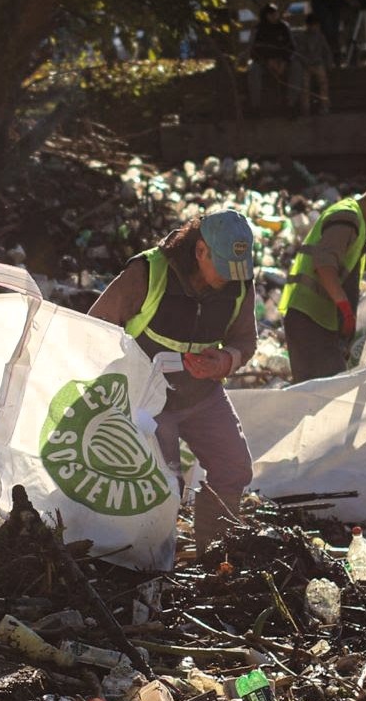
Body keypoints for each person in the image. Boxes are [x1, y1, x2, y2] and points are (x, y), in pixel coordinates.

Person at [87, 211, 257, 552]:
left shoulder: (239, 283)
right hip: (149, 401)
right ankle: (151, 559)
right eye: (223, 267)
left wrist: (224, 361)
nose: (230, 278)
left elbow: (245, 341)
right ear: (200, 251)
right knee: (164, 486)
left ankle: (216, 554)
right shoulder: (147, 273)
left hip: (203, 396)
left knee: (233, 468)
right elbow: (94, 330)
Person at [279, 176, 366, 383]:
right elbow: (324, 265)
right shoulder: (348, 217)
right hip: (310, 318)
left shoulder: (356, 223)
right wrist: (345, 309)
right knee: (328, 392)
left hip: (319, 320)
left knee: (319, 392)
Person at [247, 3, 300, 112]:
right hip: (263, 62)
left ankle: (291, 104)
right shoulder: (258, 29)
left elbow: (292, 47)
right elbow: (253, 49)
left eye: (275, 13)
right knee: (253, 70)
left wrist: (285, 61)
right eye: (271, 14)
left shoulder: (284, 27)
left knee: (296, 68)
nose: (274, 16)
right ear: (266, 16)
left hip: (282, 61)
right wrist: (267, 61)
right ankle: (255, 106)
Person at [297, 12, 335, 114]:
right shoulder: (302, 37)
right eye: (313, 25)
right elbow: (299, 52)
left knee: (323, 83)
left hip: (318, 64)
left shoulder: (321, 37)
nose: (316, 28)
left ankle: (324, 106)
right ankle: (305, 108)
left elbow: (327, 51)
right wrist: (306, 63)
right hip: (306, 65)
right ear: (308, 25)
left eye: (317, 25)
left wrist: (329, 63)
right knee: (305, 86)